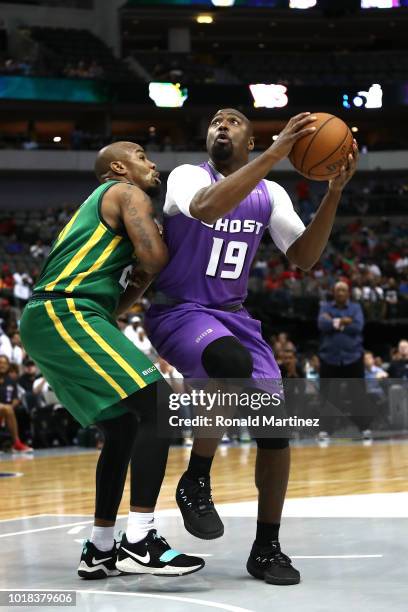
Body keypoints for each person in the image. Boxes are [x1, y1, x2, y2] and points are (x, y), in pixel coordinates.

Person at [144, 108, 358, 586]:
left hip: (234, 317)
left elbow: (303, 257)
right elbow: (205, 208)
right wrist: (279, 151)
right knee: (229, 361)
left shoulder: (271, 194)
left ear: (251, 139)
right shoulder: (185, 175)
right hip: (180, 311)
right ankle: (197, 475)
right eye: (214, 119)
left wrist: (334, 194)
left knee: (275, 431)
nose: (220, 123)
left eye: (233, 120)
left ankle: (266, 548)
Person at [20, 141, 204, 580]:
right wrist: (179, 240)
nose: (152, 162)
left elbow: (122, 301)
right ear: (119, 167)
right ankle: (140, 540)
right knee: (160, 403)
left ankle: (101, 548)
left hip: (68, 315)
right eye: (142, 155)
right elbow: (157, 258)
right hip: (66, 311)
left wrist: (142, 275)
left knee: (124, 426)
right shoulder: (125, 192)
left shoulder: (107, 210)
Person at [318, 281, 372, 444]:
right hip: (329, 358)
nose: (341, 292)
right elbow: (322, 324)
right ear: (333, 293)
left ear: (348, 293)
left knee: (358, 395)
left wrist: (334, 322)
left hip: (353, 357)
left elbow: (358, 326)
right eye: (338, 290)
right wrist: (344, 321)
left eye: (343, 290)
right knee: (327, 396)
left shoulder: (355, 308)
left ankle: (365, 428)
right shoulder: (325, 306)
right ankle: (325, 430)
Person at [0, 355, 33, 453]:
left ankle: (17, 442)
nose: (2, 365)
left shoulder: (11, 380)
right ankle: (16, 443)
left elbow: (15, 398)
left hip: (6, 411)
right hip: (2, 409)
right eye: (0, 363)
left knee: (17, 410)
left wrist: (11, 406)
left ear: (8, 366)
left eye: (4, 363)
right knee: (7, 409)